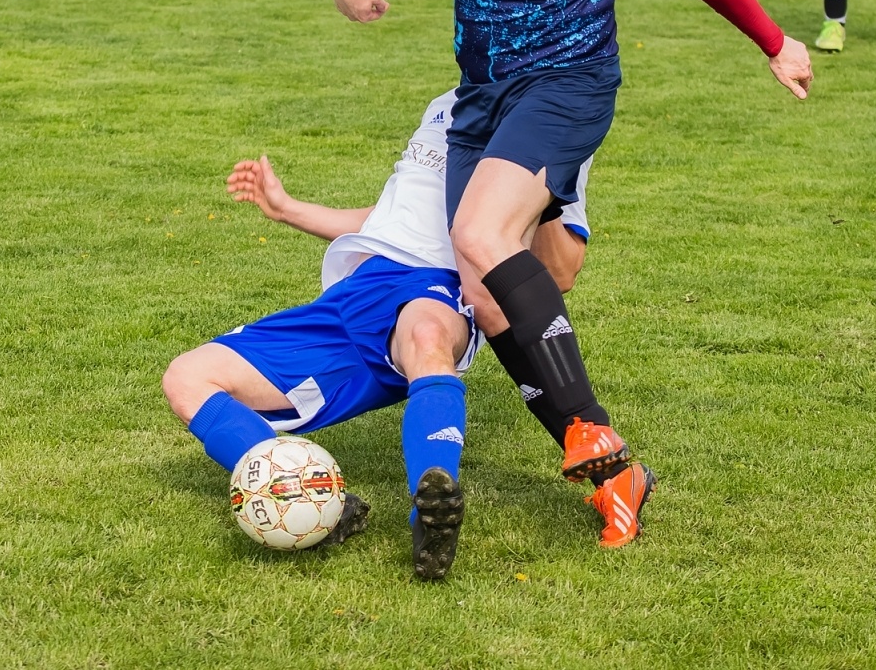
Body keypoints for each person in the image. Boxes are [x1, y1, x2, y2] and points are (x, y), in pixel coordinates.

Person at [325, 0, 815, 546]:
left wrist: (776, 43)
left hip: (568, 88)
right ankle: (619, 476)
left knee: (481, 234)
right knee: (485, 297)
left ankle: (590, 427)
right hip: (480, 97)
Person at [161, 90, 596, 578]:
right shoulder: (447, 102)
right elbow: (392, 219)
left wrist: (549, 195)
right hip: (351, 295)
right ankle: (318, 498)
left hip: (435, 285)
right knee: (187, 377)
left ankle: (431, 514)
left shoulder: (553, 119)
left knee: (427, 336)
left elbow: (562, 270)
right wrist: (286, 208)